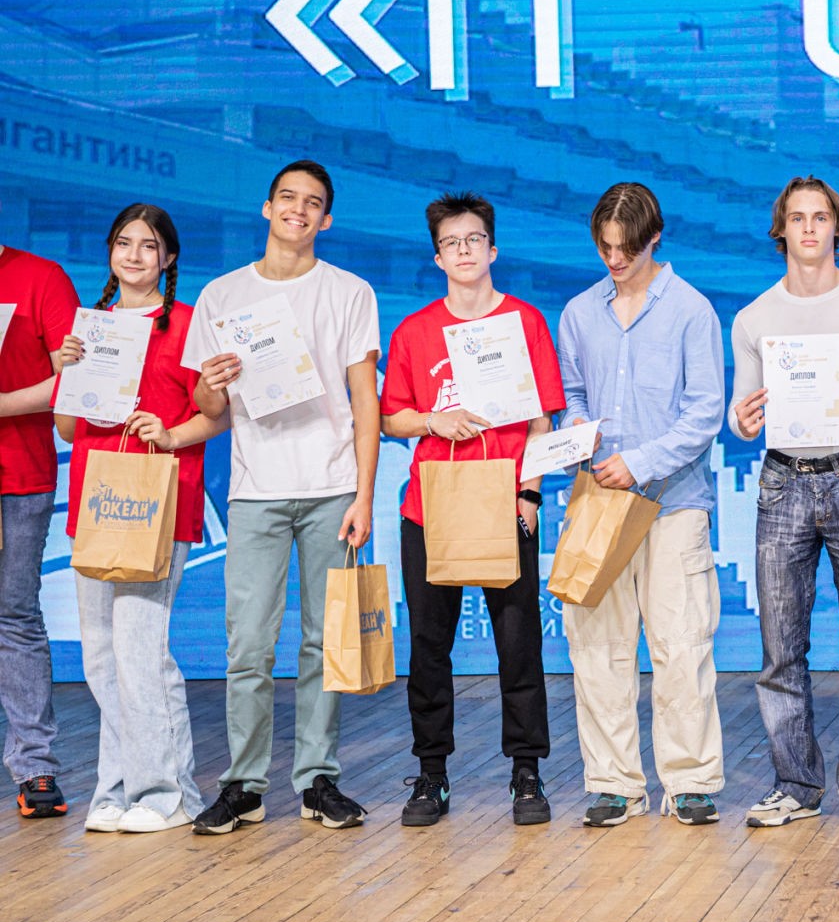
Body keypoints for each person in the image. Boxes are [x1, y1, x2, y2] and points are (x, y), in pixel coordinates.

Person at [182, 159, 380, 835]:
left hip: (332, 487)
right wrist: (211, 381)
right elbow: (210, 406)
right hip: (256, 490)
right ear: (267, 208)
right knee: (248, 646)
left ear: (326, 218)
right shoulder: (222, 295)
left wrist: (364, 493)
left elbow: (365, 400)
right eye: (287, 197)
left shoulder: (350, 291)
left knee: (326, 642)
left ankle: (318, 779)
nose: (299, 209)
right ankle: (243, 785)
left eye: (313, 202)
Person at [728, 176, 839, 829]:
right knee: (781, 647)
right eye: (798, 217)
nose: (809, 227)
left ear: (837, 226)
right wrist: (741, 421)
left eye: (820, 216)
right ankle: (795, 782)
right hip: (782, 482)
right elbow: (744, 410)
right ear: (781, 228)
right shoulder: (753, 318)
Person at [379, 193, 564, 827]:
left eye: (474, 240)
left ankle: (526, 771)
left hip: (504, 502)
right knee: (429, 648)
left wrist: (529, 493)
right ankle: (431, 774)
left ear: (492, 249)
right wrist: (434, 419)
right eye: (451, 242)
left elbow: (541, 419)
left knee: (519, 644)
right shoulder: (414, 331)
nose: (463, 250)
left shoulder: (525, 322)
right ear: (438, 257)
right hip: (431, 505)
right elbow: (392, 417)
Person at [556, 182, 726, 827]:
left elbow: (704, 412)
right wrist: (578, 430)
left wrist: (642, 461)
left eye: (626, 249)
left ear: (654, 238)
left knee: (681, 643)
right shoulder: (579, 312)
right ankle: (613, 784)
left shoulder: (691, 310)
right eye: (604, 248)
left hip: (673, 503)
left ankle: (691, 782)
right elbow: (572, 394)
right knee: (597, 645)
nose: (614, 260)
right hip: (599, 501)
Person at [54, 204, 225, 832]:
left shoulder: (187, 324)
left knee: (140, 650)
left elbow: (217, 415)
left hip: (159, 497)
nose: (133, 255)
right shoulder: (91, 327)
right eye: (123, 243)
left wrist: (170, 432)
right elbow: (68, 428)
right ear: (109, 251)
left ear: (168, 257)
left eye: (148, 246)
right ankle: (118, 787)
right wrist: (65, 371)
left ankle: (168, 794)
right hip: (98, 496)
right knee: (101, 655)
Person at [0, 226, 79, 818]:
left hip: (18, 475)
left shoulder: (41, 277)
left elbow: (74, 379)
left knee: (14, 614)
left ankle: (34, 766)